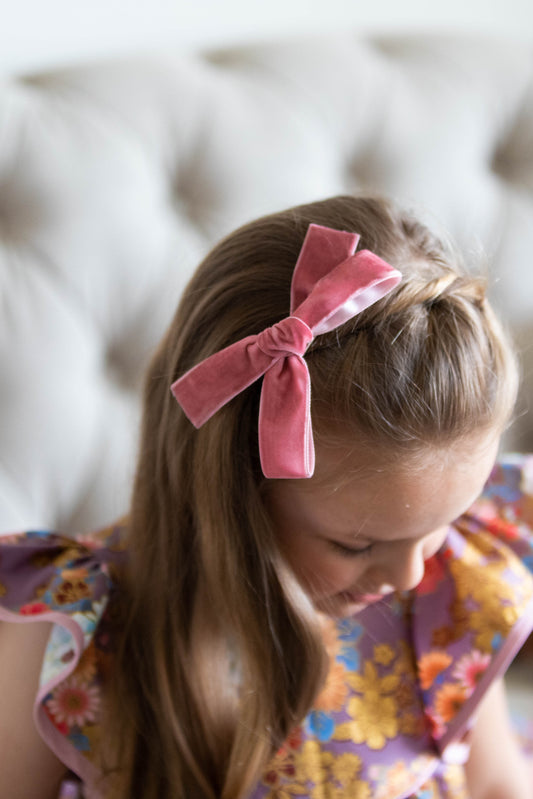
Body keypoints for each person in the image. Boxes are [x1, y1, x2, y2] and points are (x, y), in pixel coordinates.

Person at [1, 194, 532, 799]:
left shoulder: (450, 589)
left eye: (446, 521)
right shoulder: (74, 636)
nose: (412, 573)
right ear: (227, 492)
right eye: (354, 544)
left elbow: (494, 784)